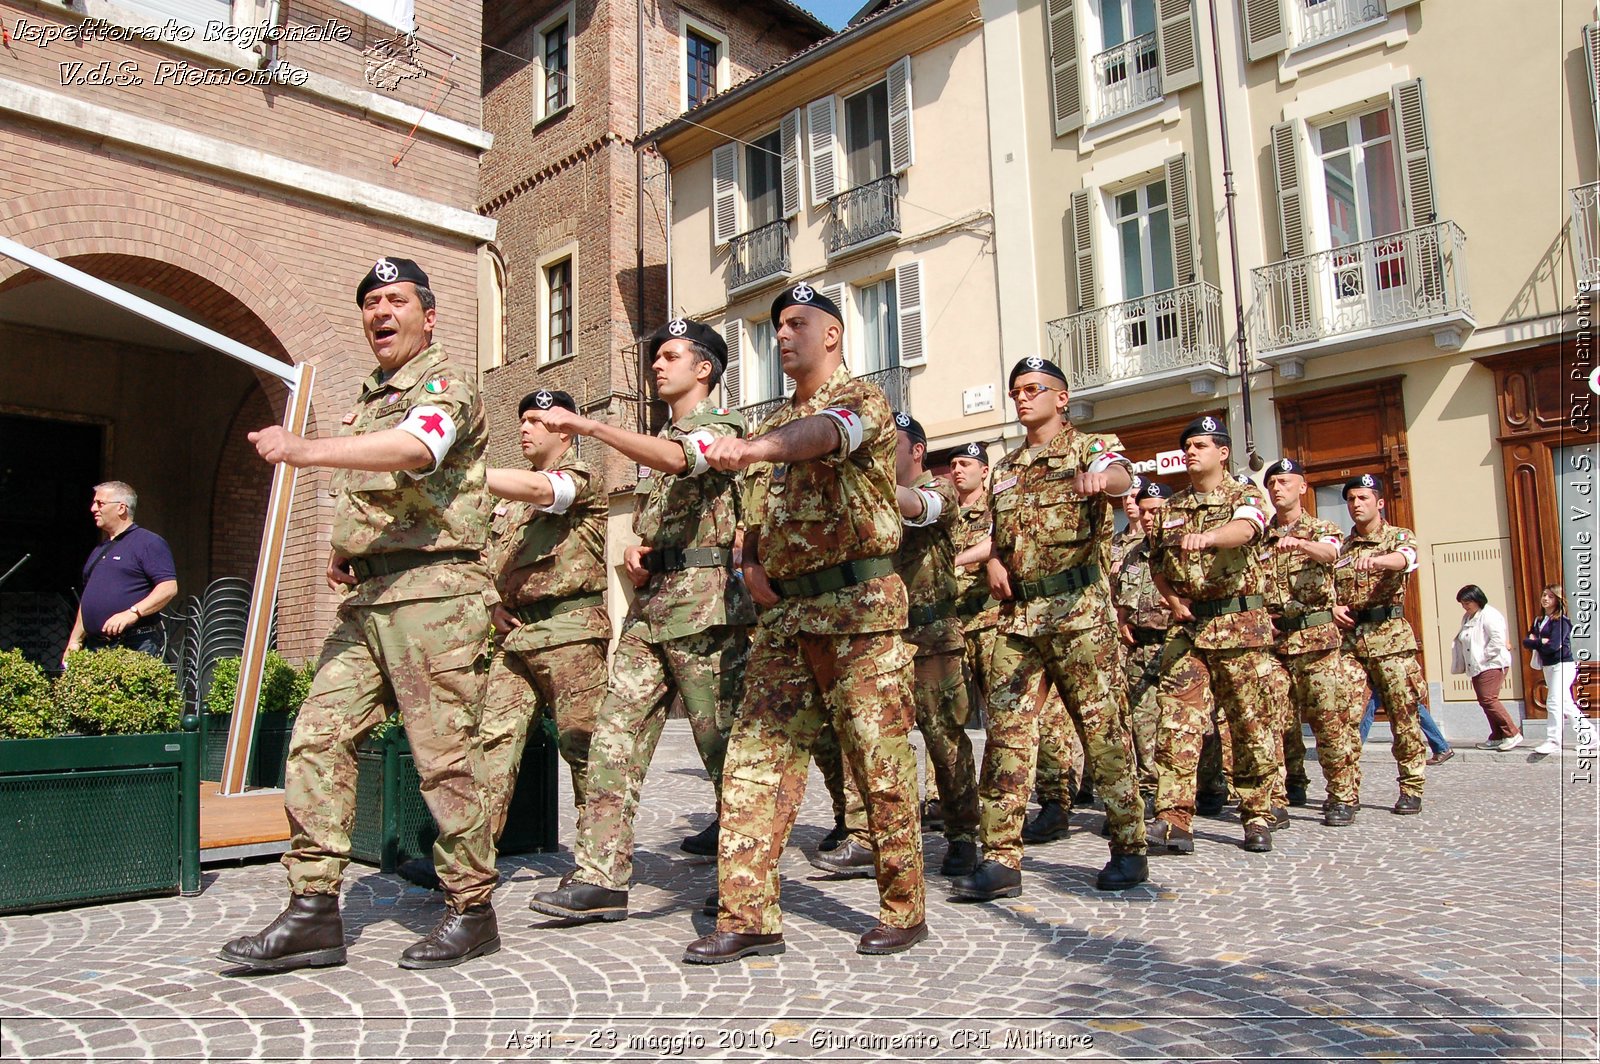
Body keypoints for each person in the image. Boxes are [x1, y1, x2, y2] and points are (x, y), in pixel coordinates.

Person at [222, 256, 499, 971]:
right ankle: (314, 908)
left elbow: (421, 446)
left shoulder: (445, 385)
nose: (381, 312)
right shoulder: (372, 398)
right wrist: (353, 548)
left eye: (396, 300)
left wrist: (304, 449)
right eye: (371, 302)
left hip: (435, 598)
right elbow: (381, 487)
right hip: (369, 598)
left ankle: (472, 909)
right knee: (316, 736)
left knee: (443, 762)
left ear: (428, 315)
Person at [685, 283, 927, 964]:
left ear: (832, 335)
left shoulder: (862, 401)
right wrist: (750, 564)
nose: (784, 334)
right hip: (789, 620)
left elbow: (827, 435)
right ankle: (749, 916)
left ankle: (905, 908)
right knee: (753, 767)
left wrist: (760, 449)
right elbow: (756, 525)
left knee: (879, 766)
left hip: (860, 613)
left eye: (798, 323)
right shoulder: (774, 424)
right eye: (777, 326)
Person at [524, 318, 753, 922]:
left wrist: (591, 426)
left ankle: (745, 876)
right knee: (612, 743)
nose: (657, 364)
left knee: (723, 751)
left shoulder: (721, 427)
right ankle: (600, 876)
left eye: (671, 356)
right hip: (651, 612)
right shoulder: (662, 435)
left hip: (705, 612)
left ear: (703, 369)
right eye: (657, 356)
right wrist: (640, 547)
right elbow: (669, 503)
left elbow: (684, 462)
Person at [951, 355, 1148, 901]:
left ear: (1062, 398)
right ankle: (1001, 858)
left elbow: (1121, 476)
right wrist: (983, 559)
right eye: (1016, 389)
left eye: (1034, 388)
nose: (1022, 397)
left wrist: (1103, 480)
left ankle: (1129, 847)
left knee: (1102, 730)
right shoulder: (1007, 467)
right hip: (1019, 620)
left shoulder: (1090, 446)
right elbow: (1002, 535)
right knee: (1008, 734)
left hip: (1079, 614)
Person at [809, 414, 981, 881]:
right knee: (867, 740)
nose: (885, 451)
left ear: (917, 451)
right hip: (881, 636)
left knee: (944, 741)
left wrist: (870, 487)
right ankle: (866, 836)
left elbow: (917, 506)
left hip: (930, 638)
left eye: (895, 444)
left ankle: (964, 835)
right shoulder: (870, 502)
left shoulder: (940, 490)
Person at [1146, 415, 1281, 854]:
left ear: (1222, 453)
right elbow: (1157, 563)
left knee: (1248, 723)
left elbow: (1247, 528)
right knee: (1177, 722)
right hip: (1189, 628)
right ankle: (1174, 818)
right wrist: (1171, 599)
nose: (1191, 452)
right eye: (1187, 446)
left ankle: (1257, 812)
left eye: (1200, 445)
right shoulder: (1171, 508)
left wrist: (1207, 539)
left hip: (1239, 627)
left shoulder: (1246, 495)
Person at [481, 390, 612, 830]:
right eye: (522, 420)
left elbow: (547, 491)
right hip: (515, 638)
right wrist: (492, 603)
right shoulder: (508, 500)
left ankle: (598, 864)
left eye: (537, 421)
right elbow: (482, 557)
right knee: (489, 745)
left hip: (569, 634)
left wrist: (468, 472)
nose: (524, 428)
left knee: (585, 748)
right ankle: (465, 862)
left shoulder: (583, 478)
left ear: (565, 430)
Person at [1259, 458, 1361, 827]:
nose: (1277, 489)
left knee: (1329, 722)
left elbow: (1332, 553)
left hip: (1316, 641)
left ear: (1302, 487)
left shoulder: (1323, 528)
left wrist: (1299, 544)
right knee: (1270, 723)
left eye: (1285, 482)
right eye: (1272, 483)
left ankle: (1342, 795)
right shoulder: (1260, 535)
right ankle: (1275, 799)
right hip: (1273, 643)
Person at [1333, 473, 1427, 815]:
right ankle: (1344, 794)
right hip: (1352, 643)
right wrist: (1332, 606)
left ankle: (1411, 787)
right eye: (1351, 499)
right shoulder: (1342, 548)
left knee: (1404, 717)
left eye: (1363, 498)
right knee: (1344, 718)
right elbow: (1328, 587)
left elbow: (1406, 558)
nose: (1357, 505)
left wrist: (1377, 560)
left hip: (1390, 639)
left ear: (1379, 502)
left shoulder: (1398, 536)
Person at [63, 481, 178, 664]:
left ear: (121, 508)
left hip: (134, 645)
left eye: (100, 503)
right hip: (95, 648)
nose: (93, 508)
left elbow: (168, 588)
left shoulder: (148, 543)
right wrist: (75, 640)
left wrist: (132, 613)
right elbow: (89, 599)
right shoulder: (100, 549)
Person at [1114, 478, 1172, 820]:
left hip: (1176, 644)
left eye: (1155, 511)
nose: (1148, 518)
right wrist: (1122, 619)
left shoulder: (1181, 547)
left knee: (1189, 721)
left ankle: (1207, 785)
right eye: (1145, 512)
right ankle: (1150, 788)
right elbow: (1123, 595)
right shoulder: (1134, 552)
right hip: (1140, 647)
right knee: (1142, 721)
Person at [1451, 584, 1521, 750]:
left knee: (1489, 699)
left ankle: (1512, 733)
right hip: (1477, 666)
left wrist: (1484, 657)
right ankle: (1497, 735)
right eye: (1462, 603)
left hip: (1492, 664)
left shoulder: (1489, 615)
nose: (1464, 606)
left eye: (1467, 603)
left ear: (1477, 600)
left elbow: (1497, 639)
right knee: (1484, 701)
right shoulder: (1468, 617)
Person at [1527, 585, 1583, 755]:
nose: (1545, 599)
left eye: (1550, 596)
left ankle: (1553, 740)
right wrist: (1539, 642)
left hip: (1563, 665)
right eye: (1544, 595)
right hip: (1548, 666)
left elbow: (1552, 646)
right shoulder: (1539, 620)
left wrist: (1539, 642)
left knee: (1553, 701)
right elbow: (1527, 642)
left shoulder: (1561, 621)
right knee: (1566, 704)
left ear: (1558, 600)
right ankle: (1590, 737)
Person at [1359, 692, 1452, 763]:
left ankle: (1354, 750)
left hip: (1388, 674)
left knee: (1369, 706)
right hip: (1385, 674)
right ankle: (1441, 747)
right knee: (1413, 706)